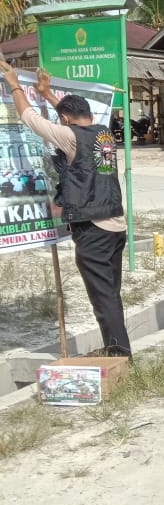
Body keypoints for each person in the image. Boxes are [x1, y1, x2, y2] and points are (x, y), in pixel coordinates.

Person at [1, 61, 132, 357]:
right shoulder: (103, 133)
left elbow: (28, 117)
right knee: (110, 293)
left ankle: (119, 354)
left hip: (94, 228)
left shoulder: (71, 137)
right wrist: (48, 94)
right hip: (115, 224)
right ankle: (117, 348)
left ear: (65, 119)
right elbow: (69, 117)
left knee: (103, 297)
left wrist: (13, 84)